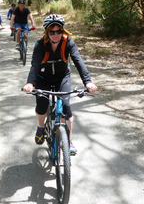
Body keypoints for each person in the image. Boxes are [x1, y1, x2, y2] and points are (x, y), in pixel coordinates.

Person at [22, 14, 98, 154]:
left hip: (62, 77)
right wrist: (30, 83)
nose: (56, 35)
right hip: (42, 78)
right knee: (42, 103)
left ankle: (68, 141)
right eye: (52, 32)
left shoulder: (68, 43)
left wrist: (88, 82)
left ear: (63, 31)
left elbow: (78, 62)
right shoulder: (40, 45)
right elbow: (35, 66)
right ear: (47, 33)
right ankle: (40, 127)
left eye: (59, 31)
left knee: (66, 105)